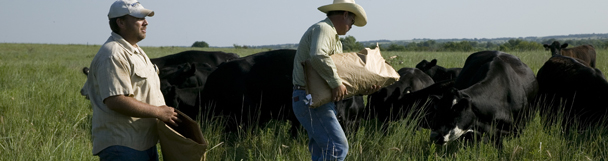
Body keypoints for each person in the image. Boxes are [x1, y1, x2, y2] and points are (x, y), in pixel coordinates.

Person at [80, 0, 180, 160]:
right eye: (139, 18)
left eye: (145, 18)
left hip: (142, 143)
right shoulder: (112, 54)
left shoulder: (136, 51)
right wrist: (159, 112)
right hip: (123, 146)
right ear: (121, 22)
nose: (146, 22)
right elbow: (116, 100)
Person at [292, 0, 377, 160]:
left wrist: (363, 88)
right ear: (345, 14)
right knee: (337, 147)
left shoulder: (334, 38)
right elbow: (318, 55)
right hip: (310, 99)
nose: (351, 26)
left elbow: (339, 73)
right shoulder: (324, 29)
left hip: (312, 99)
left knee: (322, 151)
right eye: (352, 21)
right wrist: (336, 82)